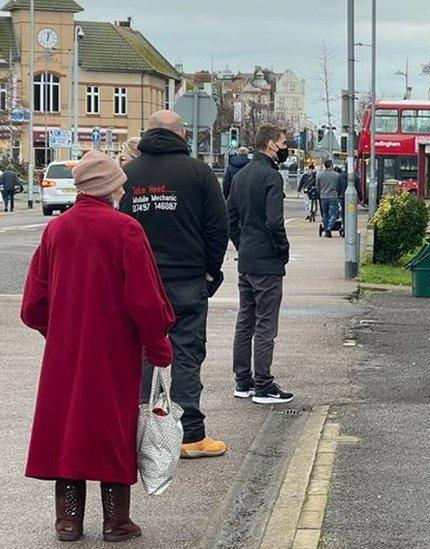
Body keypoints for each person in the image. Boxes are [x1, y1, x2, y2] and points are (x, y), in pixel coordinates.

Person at [22, 150, 175, 542]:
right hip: (113, 350)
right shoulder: (125, 230)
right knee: (111, 429)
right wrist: (159, 347)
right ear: (110, 188)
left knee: (68, 427)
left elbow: (32, 304)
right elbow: (144, 301)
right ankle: (116, 521)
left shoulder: (56, 230)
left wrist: (56, 331)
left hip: (65, 351)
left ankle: (68, 521)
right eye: (120, 183)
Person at [119, 110, 230, 459]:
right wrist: (211, 272)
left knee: (141, 353)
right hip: (186, 279)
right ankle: (189, 435)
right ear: (182, 135)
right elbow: (217, 228)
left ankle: (137, 434)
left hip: (139, 282)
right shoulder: (199, 173)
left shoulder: (127, 174)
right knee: (185, 353)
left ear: (147, 132)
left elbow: (115, 229)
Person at [227, 125, 295, 403]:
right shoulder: (272, 177)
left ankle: (243, 381)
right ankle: (264, 384)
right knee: (266, 323)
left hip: (247, 258)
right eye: (282, 142)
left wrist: (242, 245)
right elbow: (274, 222)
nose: (285, 147)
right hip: (267, 260)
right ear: (270, 144)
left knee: (246, 320)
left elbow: (230, 217)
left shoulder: (240, 176)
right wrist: (282, 250)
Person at [316, 159, 341, 237]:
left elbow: (317, 187)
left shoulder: (319, 175)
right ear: (331, 166)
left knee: (325, 214)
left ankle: (326, 228)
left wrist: (321, 192)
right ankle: (329, 227)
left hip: (323, 196)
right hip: (333, 196)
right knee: (334, 214)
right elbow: (338, 187)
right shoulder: (337, 175)